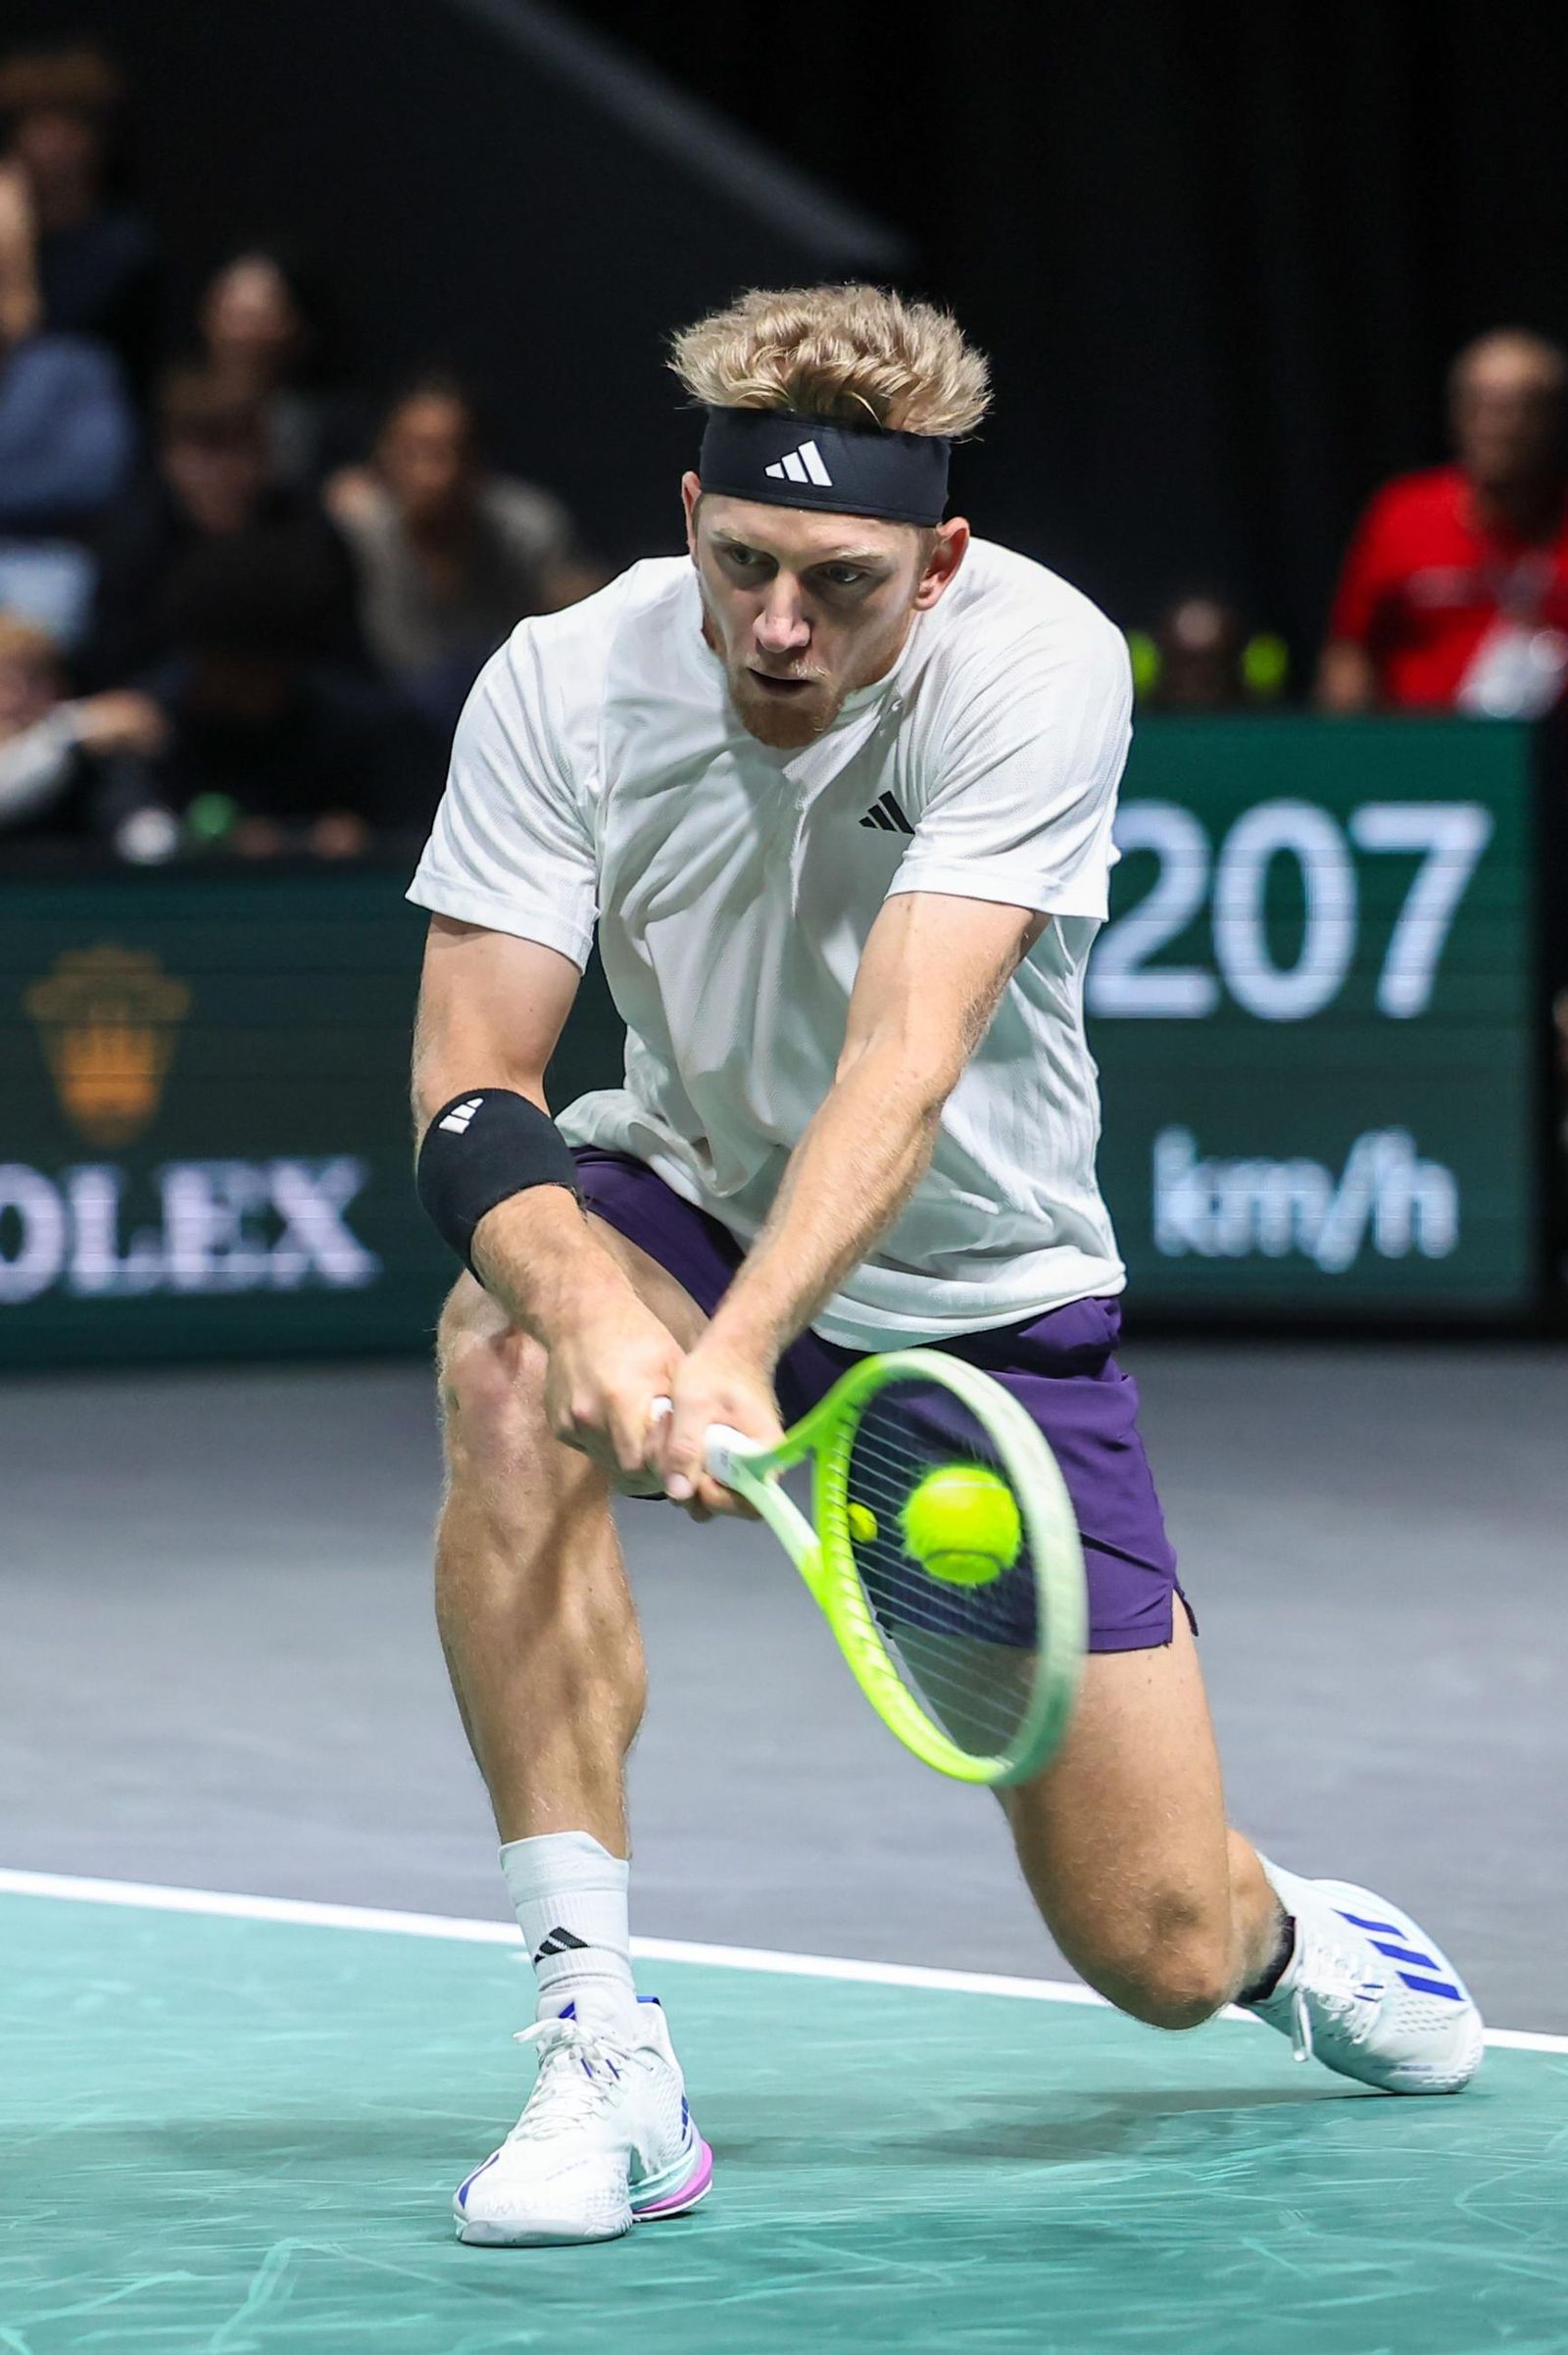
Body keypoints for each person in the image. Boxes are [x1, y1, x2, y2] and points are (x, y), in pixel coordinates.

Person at [407, 284, 1484, 2251]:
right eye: (741, 564)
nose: (777, 625)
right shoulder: (560, 683)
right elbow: (476, 1085)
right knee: (498, 1346)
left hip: (979, 1300)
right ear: (688, 516)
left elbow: (908, 1051)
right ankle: (596, 2039)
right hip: (691, 1192)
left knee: (1154, 1945)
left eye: (838, 581)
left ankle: (1280, 1935)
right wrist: (590, 1317)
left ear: (940, 560)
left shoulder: (1037, 663)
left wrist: (739, 1354)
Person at [1320, 328, 1568, 717]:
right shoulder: (1402, 512)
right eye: (1481, 405)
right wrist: (1349, 743)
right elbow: (1350, 650)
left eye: (1523, 408)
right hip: (1424, 745)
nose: (1501, 426)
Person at [326, 373, 595, 732]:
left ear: (480, 460)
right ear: (384, 455)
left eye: (454, 452)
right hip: (382, 729)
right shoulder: (353, 530)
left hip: (509, 724)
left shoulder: (529, 532)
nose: (437, 475)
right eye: (417, 453)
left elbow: (581, 642)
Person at [82, 367, 360, 687]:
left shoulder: (308, 529)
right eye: (207, 451)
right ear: (169, 456)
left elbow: (345, 658)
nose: (226, 471)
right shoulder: (132, 538)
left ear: (266, 451)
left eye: (241, 447)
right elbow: (111, 664)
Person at [0, 41, 161, 390]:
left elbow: (28, 335)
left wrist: (12, 251)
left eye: (65, 128)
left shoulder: (122, 247)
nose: (48, 146)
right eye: (34, 126)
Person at [0, 606, 166, 851]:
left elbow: (147, 835)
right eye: (4, 681)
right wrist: (71, 729)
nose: (17, 696)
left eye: (34, 680)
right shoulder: (72, 733)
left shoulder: (88, 750)